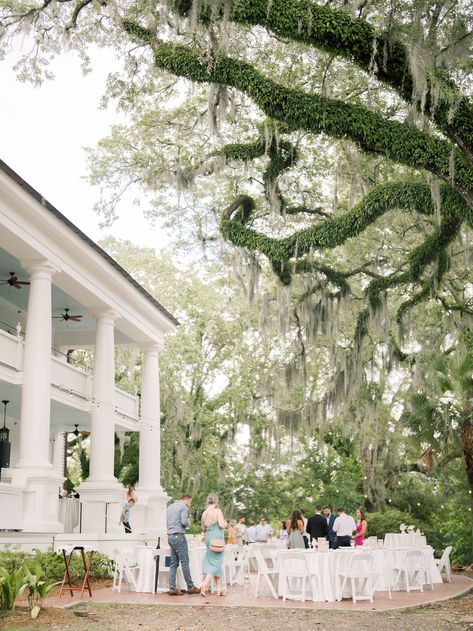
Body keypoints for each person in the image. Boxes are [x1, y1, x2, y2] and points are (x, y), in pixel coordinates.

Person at [166, 494, 201, 595]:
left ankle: (172, 588)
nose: (190, 504)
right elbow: (184, 522)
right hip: (179, 536)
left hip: (170, 536)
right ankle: (190, 587)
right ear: (186, 500)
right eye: (190, 502)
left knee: (174, 563)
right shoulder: (183, 507)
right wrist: (188, 523)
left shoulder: (170, 506)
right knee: (184, 562)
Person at [199, 494, 228, 597]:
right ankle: (204, 584)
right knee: (216, 563)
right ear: (216, 501)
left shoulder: (204, 513)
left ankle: (219, 590)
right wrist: (226, 524)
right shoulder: (218, 511)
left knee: (215, 562)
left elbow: (203, 528)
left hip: (208, 537)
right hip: (217, 538)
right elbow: (221, 525)